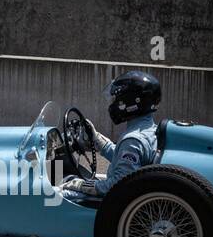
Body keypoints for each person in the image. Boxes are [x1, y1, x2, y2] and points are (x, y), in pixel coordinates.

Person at [60, 70, 161, 199]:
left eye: (118, 100)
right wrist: (97, 139)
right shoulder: (150, 131)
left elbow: (119, 185)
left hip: (110, 203)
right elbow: (123, 159)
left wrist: (81, 185)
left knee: (58, 192)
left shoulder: (133, 140)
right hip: (127, 199)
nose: (115, 104)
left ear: (132, 102)